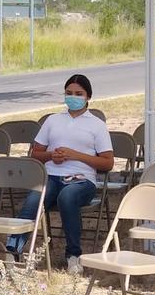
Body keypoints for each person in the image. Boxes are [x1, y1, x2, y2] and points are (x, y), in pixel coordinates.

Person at [7, 74, 114, 274]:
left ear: (88, 96)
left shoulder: (96, 125)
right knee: (33, 201)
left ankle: (73, 255)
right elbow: (35, 154)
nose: (73, 97)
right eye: (69, 93)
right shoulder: (52, 120)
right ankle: (13, 250)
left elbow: (108, 162)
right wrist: (50, 156)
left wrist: (76, 155)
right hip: (52, 175)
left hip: (82, 180)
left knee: (68, 197)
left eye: (78, 94)